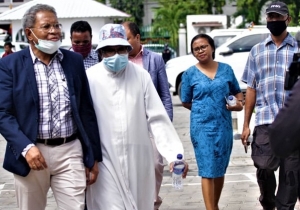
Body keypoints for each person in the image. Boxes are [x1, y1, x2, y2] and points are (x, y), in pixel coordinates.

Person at [0, 4, 102, 210]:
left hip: (70, 151)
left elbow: (86, 110)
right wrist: (25, 148)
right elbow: (3, 113)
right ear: (30, 33)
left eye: (56, 25)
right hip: (31, 154)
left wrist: (93, 156)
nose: (55, 31)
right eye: (46, 26)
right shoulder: (10, 65)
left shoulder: (73, 60)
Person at [85, 23, 188, 210]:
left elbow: (157, 118)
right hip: (104, 159)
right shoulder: (89, 78)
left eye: (120, 49)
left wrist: (174, 154)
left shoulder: (141, 76)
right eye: (109, 50)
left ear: (127, 49)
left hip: (137, 158)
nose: (115, 55)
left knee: (139, 204)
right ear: (101, 53)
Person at [241, 2, 300, 210]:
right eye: (271, 17)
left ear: (288, 20)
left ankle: (285, 207)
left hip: (294, 125)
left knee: (291, 175)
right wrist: (246, 124)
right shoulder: (257, 51)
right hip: (266, 121)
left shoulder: (298, 50)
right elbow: (251, 89)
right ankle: (267, 200)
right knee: (263, 165)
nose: (274, 21)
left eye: (279, 17)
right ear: (266, 20)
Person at [181, 33, 243, 210]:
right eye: (196, 49)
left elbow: (237, 92)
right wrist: (203, 110)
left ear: (212, 47)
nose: (200, 51)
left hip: (223, 126)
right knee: (207, 169)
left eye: (203, 46)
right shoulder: (189, 74)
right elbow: (185, 101)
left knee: (219, 167)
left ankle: (214, 205)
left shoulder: (226, 69)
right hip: (201, 128)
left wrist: (237, 104)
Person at [122, 21, 172, 210]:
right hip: (127, 123)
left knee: (155, 164)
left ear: (137, 37)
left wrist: (166, 124)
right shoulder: (118, 58)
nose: (124, 44)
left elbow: (165, 94)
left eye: (127, 39)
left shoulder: (155, 59)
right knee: (130, 166)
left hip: (151, 122)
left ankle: (152, 202)